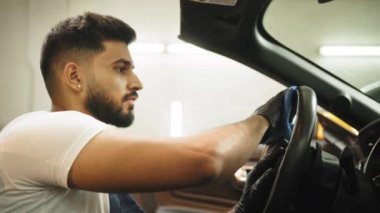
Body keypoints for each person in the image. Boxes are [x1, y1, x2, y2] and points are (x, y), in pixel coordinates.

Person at [0, 12, 294, 212]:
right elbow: (206, 160)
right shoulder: (43, 131)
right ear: (75, 77)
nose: (137, 83)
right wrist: (265, 120)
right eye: (120, 69)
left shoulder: (77, 152)